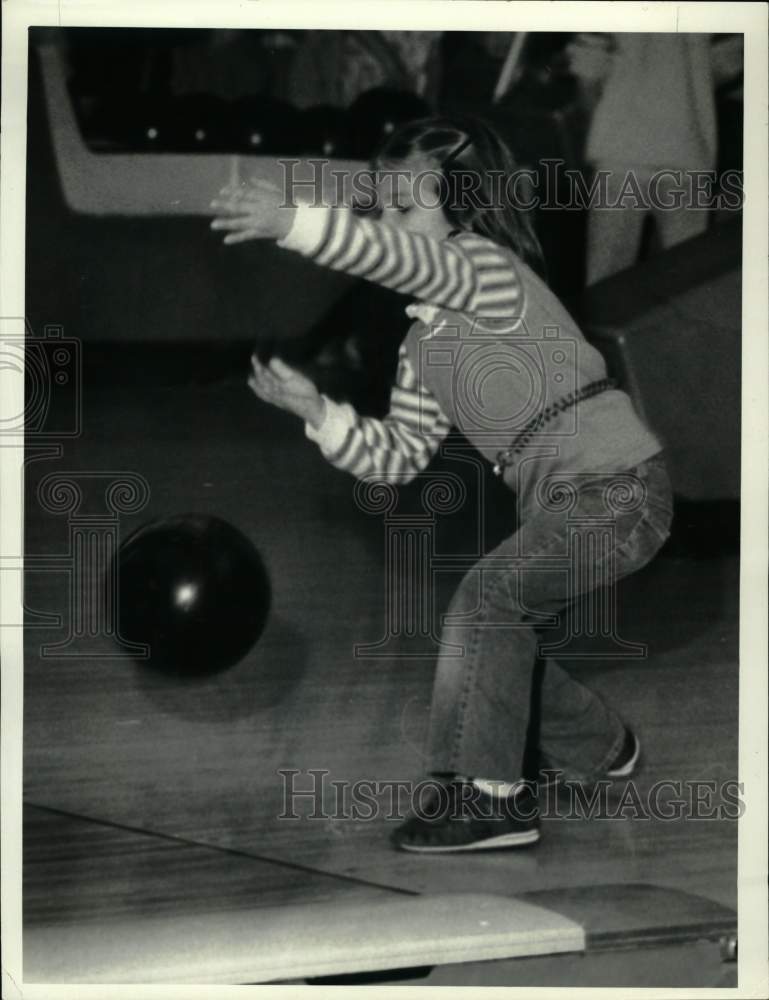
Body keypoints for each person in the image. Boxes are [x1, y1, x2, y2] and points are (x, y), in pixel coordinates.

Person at [210, 116, 673, 853]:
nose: (389, 225)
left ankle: (490, 802)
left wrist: (292, 221)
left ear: (461, 207)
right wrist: (318, 412)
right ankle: (601, 746)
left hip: (619, 488)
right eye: (382, 210)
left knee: (487, 603)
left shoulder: (486, 273)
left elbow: (408, 264)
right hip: (568, 500)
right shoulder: (423, 344)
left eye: (405, 206)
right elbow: (396, 456)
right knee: (496, 633)